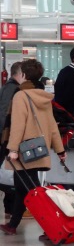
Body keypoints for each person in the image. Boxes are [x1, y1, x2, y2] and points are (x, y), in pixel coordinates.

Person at [0, 59, 67, 236]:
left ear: (23, 75)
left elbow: (17, 125)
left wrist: (12, 149)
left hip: (24, 151)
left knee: (37, 195)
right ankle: (13, 225)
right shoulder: (42, 96)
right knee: (23, 190)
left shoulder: (21, 96)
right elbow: (52, 125)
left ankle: (55, 228)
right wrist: (60, 150)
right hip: (39, 149)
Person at [0, 62, 24, 219]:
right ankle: (12, 209)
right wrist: (9, 138)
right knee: (10, 174)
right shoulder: (13, 89)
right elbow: (5, 114)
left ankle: (11, 209)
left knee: (9, 173)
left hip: (5, 137)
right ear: (20, 73)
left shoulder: (7, 87)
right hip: (6, 138)